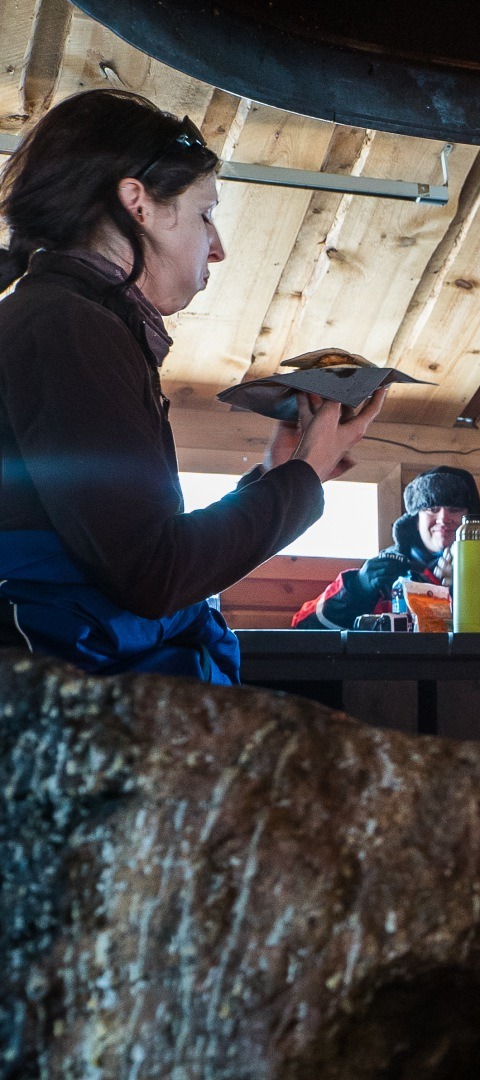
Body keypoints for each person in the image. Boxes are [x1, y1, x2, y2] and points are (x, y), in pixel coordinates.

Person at [0, 89, 378, 683]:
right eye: (205, 214)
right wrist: (302, 479)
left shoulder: (74, 321)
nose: (219, 247)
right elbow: (156, 575)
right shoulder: (66, 326)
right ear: (138, 205)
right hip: (65, 720)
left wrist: (282, 476)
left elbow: (140, 548)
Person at [292, 466, 480, 629]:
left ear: (472, 517)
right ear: (415, 519)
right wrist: (357, 588)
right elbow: (302, 629)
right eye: (432, 508)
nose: (443, 518)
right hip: (391, 680)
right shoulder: (386, 572)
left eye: (455, 508)